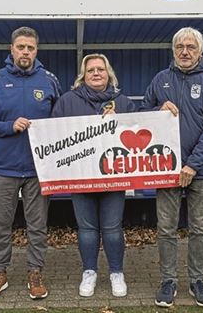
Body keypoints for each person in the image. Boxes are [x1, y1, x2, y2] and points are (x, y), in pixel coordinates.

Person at [141, 27, 203, 308]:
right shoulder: (161, 79)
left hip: (199, 170)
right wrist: (157, 111)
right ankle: (168, 281)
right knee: (166, 228)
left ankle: (198, 281)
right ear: (174, 50)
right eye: (180, 47)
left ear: (200, 52)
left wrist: (192, 164)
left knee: (199, 228)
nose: (185, 52)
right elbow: (141, 117)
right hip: (165, 167)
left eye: (191, 47)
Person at [0, 26, 61, 301]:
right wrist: (8, 126)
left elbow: (61, 120)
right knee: (0, 225)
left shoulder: (49, 80)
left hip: (39, 169)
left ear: (37, 50)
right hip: (3, 168)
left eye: (30, 48)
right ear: (11, 49)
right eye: (21, 47)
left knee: (37, 226)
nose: (25, 52)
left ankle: (35, 272)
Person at [51, 53, 136, 298]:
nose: (96, 73)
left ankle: (116, 273)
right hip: (80, 176)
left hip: (114, 176)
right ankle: (89, 271)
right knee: (86, 229)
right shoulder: (67, 101)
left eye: (100, 69)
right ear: (83, 75)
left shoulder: (122, 102)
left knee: (111, 228)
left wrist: (119, 122)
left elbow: (137, 131)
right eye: (91, 70)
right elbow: (54, 133)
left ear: (109, 73)